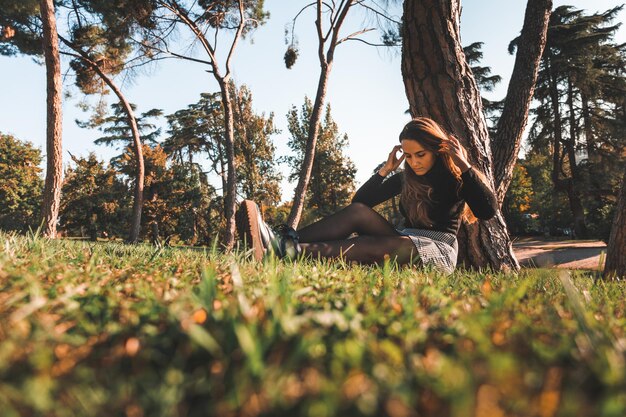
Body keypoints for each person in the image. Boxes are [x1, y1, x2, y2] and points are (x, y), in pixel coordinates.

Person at [236, 117, 497, 273]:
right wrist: (385, 171)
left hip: (437, 249)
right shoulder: (408, 178)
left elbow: (487, 211)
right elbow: (360, 203)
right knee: (358, 213)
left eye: (421, 155)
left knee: (380, 246)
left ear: (437, 150)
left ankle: (285, 252)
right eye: (408, 155)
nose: (414, 162)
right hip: (405, 238)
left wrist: (464, 165)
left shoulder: (457, 178)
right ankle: (279, 243)